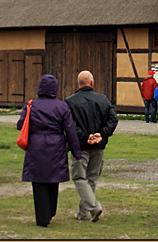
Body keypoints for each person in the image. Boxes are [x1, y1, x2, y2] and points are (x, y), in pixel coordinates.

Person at [16, 74, 81, 227]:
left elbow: (20, 125)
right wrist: (76, 152)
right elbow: (70, 130)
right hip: (56, 145)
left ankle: (42, 217)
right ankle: (50, 211)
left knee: (38, 182)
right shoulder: (62, 106)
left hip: (36, 145)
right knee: (53, 180)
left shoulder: (31, 104)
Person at [65, 70, 119, 223]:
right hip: (99, 145)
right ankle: (82, 213)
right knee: (92, 178)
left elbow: (70, 125)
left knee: (79, 177)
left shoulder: (70, 102)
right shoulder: (103, 100)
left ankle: (94, 207)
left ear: (78, 83)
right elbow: (113, 120)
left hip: (80, 145)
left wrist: (84, 135)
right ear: (92, 83)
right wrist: (101, 134)